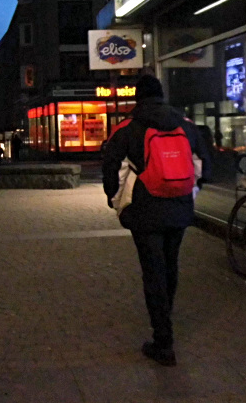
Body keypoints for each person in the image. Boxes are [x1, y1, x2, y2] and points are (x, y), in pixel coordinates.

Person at [102, 74, 211, 366]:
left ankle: (163, 341)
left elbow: (110, 166)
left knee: (153, 270)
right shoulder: (185, 125)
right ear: (161, 95)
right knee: (170, 264)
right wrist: (191, 192)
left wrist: (114, 199)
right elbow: (205, 164)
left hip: (144, 208)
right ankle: (165, 316)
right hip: (179, 206)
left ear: (137, 97)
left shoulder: (127, 127)